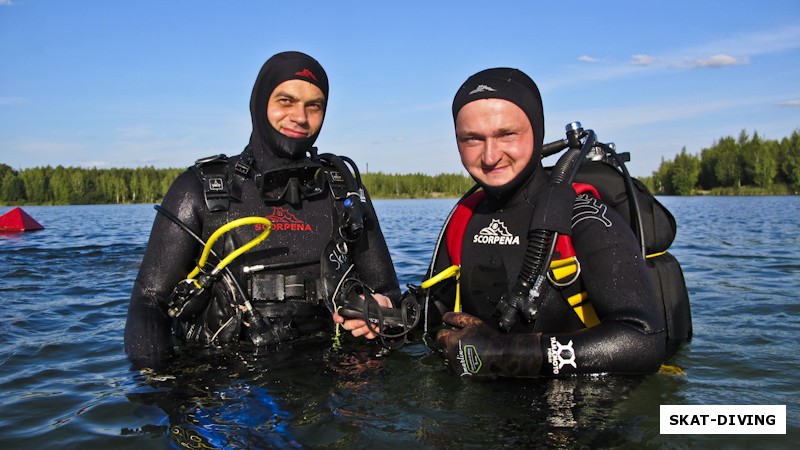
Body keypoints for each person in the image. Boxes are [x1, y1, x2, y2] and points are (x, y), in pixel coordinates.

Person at [124, 51, 400, 370]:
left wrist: (381, 313)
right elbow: (149, 301)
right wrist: (157, 389)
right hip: (225, 385)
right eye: (286, 101)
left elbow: (387, 292)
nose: (301, 117)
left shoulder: (343, 190)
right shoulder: (199, 189)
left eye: (315, 105)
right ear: (259, 103)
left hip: (331, 376)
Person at [423, 67, 669, 378]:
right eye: (472, 139)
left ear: (537, 132)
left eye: (507, 134)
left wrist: (501, 354)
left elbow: (643, 342)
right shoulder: (463, 220)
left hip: (581, 417)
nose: (489, 155)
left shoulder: (584, 216)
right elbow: (435, 317)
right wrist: (385, 315)